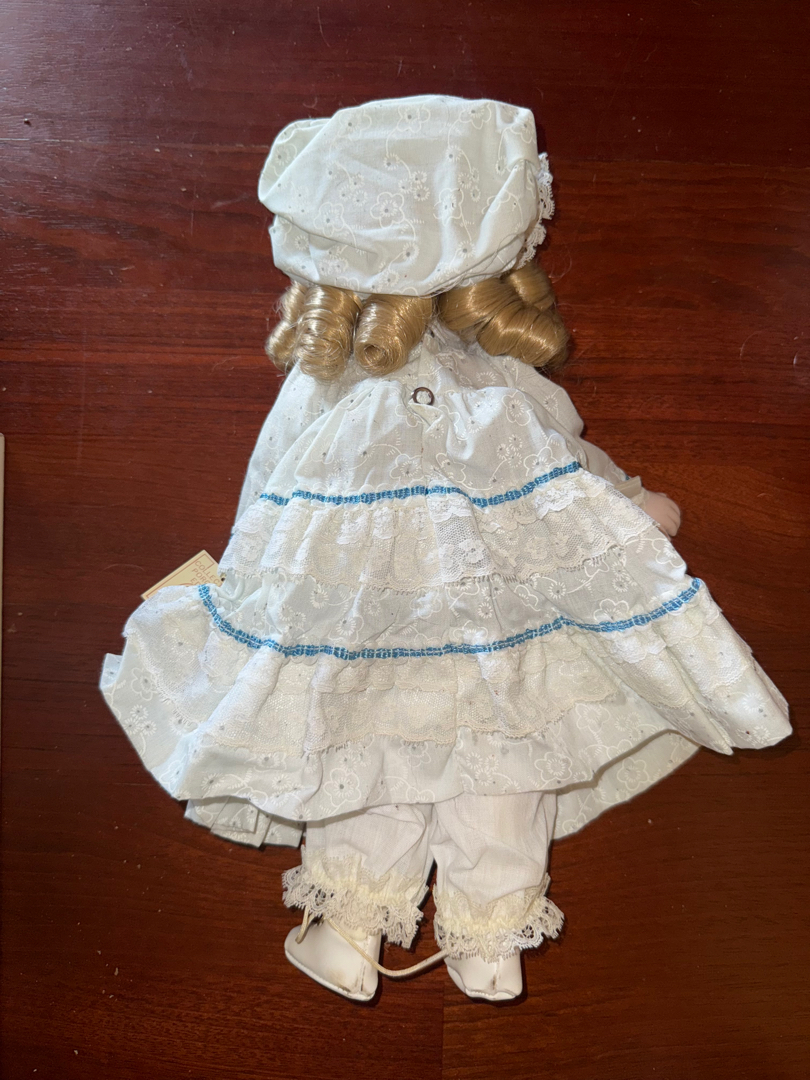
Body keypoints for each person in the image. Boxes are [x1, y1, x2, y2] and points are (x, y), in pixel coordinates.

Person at [100, 95, 790, 1003]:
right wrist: (622, 498)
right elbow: (555, 450)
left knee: (406, 741)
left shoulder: (392, 384)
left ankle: (420, 926)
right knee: (466, 744)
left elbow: (276, 478)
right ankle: (416, 926)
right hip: (443, 609)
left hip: (417, 609)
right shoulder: (436, 383)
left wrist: (249, 564)